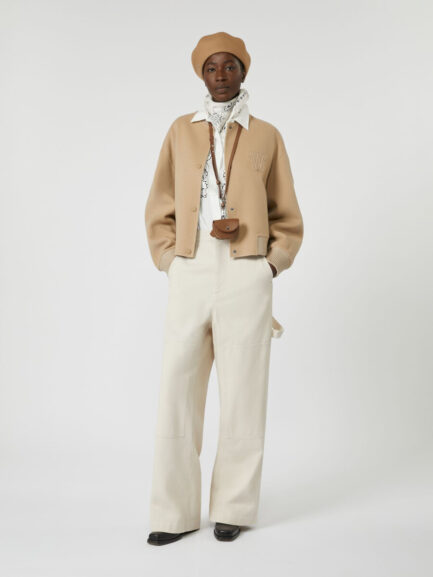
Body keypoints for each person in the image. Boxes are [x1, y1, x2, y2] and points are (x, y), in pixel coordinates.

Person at [144, 31, 304, 545]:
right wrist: (169, 260)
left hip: (246, 270)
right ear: (201, 73)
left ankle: (233, 507)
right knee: (177, 391)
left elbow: (287, 213)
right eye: (211, 67)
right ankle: (173, 513)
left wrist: (269, 265)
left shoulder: (267, 135)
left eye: (230, 66)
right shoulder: (180, 130)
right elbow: (160, 203)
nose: (220, 75)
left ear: (243, 71)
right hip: (190, 267)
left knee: (243, 393)